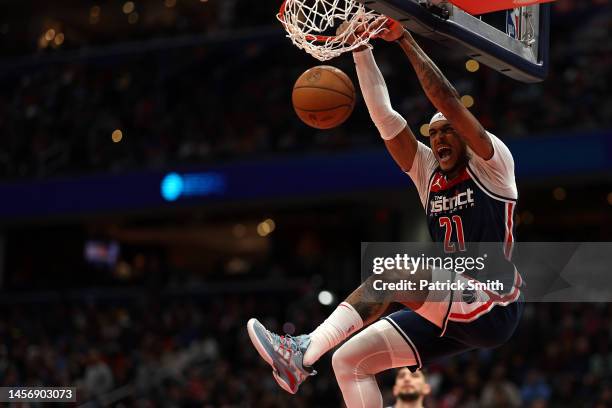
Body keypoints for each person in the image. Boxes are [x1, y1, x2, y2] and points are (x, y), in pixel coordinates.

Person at [247, 19, 523, 408]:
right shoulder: (429, 172)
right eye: (434, 134)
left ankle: (303, 351)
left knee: (394, 271)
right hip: (454, 305)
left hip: (493, 301)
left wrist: (405, 40)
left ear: (467, 134)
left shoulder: (493, 164)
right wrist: (361, 47)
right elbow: (384, 116)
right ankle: (305, 356)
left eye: (449, 131)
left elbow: (446, 100)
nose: (440, 138)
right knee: (349, 361)